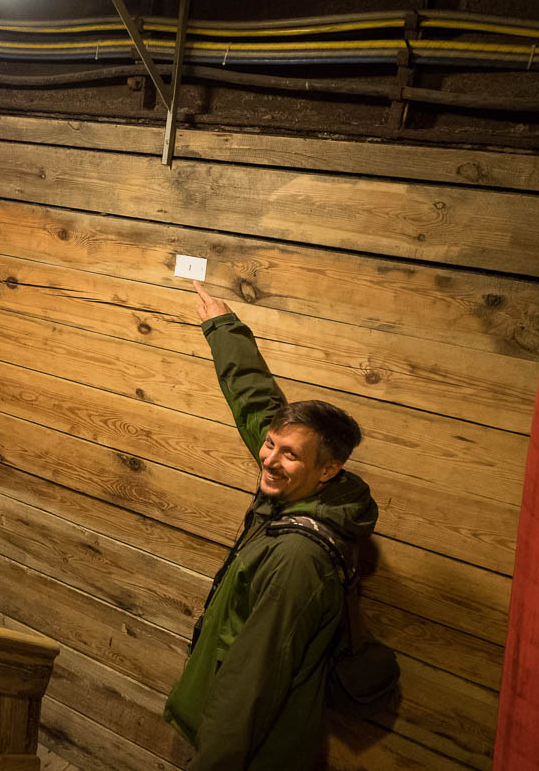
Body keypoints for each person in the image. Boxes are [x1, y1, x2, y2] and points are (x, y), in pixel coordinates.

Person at [163, 282, 379, 770]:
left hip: (252, 748)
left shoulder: (298, 560)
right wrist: (222, 326)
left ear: (329, 469)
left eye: (289, 454)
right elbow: (256, 401)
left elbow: (252, 683)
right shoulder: (306, 485)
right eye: (270, 445)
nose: (270, 459)